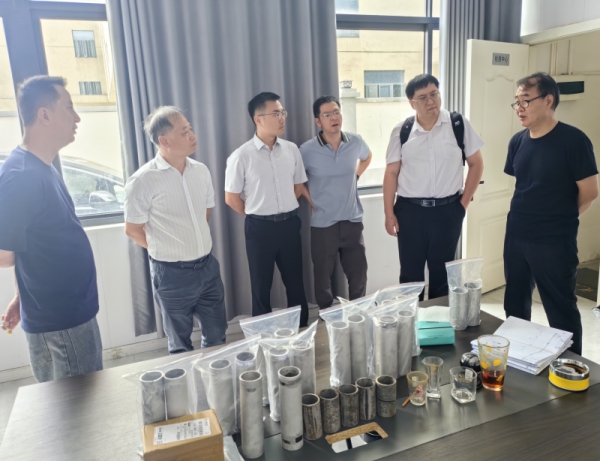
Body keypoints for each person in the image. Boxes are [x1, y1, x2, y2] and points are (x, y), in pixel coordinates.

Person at [0, 76, 103, 382]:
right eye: (69, 108)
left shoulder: (42, 166)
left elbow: (28, 242)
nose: (77, 117)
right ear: (44, 115)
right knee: (76, 406)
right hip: (60, 324)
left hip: (71, 315)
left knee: (87, 398)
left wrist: (21, 296)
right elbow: (4, 254)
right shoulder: (20, 176)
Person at [504, 72, 598, 355]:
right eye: (517, 101)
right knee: (515, 304)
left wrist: (562, 216)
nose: (519, 108)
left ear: (548, 100)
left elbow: (589, 191)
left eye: (526, 100)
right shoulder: (518, 141)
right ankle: (518, 359)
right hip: (517, 235)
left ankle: (571, 368)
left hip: (554, 240)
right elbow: (524, 186)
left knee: (560, 310)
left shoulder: (573, 140)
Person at [125, 106, 227, 354]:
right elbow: (133, 229)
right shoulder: (142, 180)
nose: (192, 135)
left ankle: (214, 378)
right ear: (164, 140)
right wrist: (168, 248)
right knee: (180, 344)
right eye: (184, 132)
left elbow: (204, 213)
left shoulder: (201, 170)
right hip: (171, 274)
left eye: (190, 129)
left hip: (207, 267)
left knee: (217, 336)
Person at [383, 74, 484, 299]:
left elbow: (476, 164)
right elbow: (391, 173)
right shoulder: (402, 131)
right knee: (410, 276)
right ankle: (412, 319)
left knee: (443, 275)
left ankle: (439, 318)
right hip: (410, 212)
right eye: (423, 98)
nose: (431, 101)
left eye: (434, 94)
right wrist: (389, 213)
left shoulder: (457, 124)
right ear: (412, 103)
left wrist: (463, 204)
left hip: (448, 210)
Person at [225, 92, 310, 326]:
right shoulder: (241, 156)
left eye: (283, 113)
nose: (282, 118)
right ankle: (262, 335)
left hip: (290, 224)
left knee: (296, 282)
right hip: (259, 228)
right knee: (260, 286)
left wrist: (281, 208)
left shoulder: (291, 149)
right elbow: (231, 198)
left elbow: (298, 186)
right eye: (276, 114)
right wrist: (258, 211)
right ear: (258, 119)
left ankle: (301, 329)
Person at [300, 95, 372, 308]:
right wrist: (308, 197)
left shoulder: (355, 141)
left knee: (358, 274)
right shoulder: (307, 150)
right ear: (318, 121)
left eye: (336, 112)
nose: (334, 117)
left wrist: (356, 176)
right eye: (327, 114)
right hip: (323, 224)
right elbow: (295, 179)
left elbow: (367, 156)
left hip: (352, 220)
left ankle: (358, 313)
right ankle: (326, 315)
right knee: (322, 279)